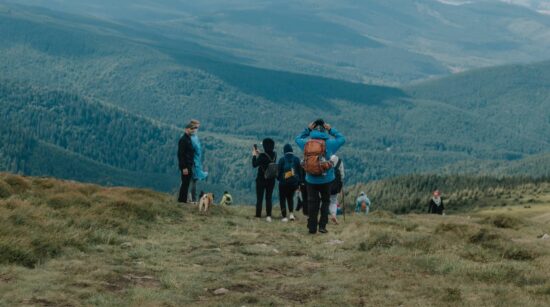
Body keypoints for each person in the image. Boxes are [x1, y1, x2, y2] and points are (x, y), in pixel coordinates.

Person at [295, 119, 345, 234]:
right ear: (324, 129)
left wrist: (307, 130)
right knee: (326, 201)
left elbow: (297, 139)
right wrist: (331, 130)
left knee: (312, 202)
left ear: (313, 129)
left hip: (310, 179)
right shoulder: (330, 144)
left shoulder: (307, 144)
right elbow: (342, 139)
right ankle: (322, 226)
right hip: (327, 179)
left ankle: (312, 228)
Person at [252, 138, 277, 222]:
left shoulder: (262, 156)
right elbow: (267, 159)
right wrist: (260, 154)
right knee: (268, 198)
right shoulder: (274, 154)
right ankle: (268, 215)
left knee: (260, 198)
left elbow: (254, 164)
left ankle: (258, 215)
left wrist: (254, 155)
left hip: (261, 180)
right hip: (271, 179)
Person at [277, 144, 301, 222]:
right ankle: (291, 214)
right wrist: (299, 183)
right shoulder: (297, 159)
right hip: (293, 183)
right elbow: (300, 172)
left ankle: (284, 216)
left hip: (283, 183)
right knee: (290, 198)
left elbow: (278, 172)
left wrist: (279, 179)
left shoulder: (282, 160)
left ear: (284, 151)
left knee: (282, 199)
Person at [190, 119, 208, 203]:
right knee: (192, 180)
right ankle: (192, 199)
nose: (197, 129)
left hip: (196, 162)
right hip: (193, 162)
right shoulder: (191, 137)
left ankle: (190, 198)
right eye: (196, 127)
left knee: (192, 180)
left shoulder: (194, 136)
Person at [177, 122, 196, 203]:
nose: (192, 130)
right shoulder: (183, 140)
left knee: (186, 182)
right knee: (185, 182)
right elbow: (180, 154)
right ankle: (181, 200)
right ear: (186, 129)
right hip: (185, 165)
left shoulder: (188, 139)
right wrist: (184, 167)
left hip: (189, 164)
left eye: (193, 129)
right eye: (191, 129)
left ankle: (183, 199)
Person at [329, 155, 345, 224]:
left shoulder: (326, 159)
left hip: (327, 183)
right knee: (334, 201)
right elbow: (342, 175)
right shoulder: (340, 161)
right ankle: (333, 215)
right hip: (336, 185)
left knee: (325, 200)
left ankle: (323, 217)